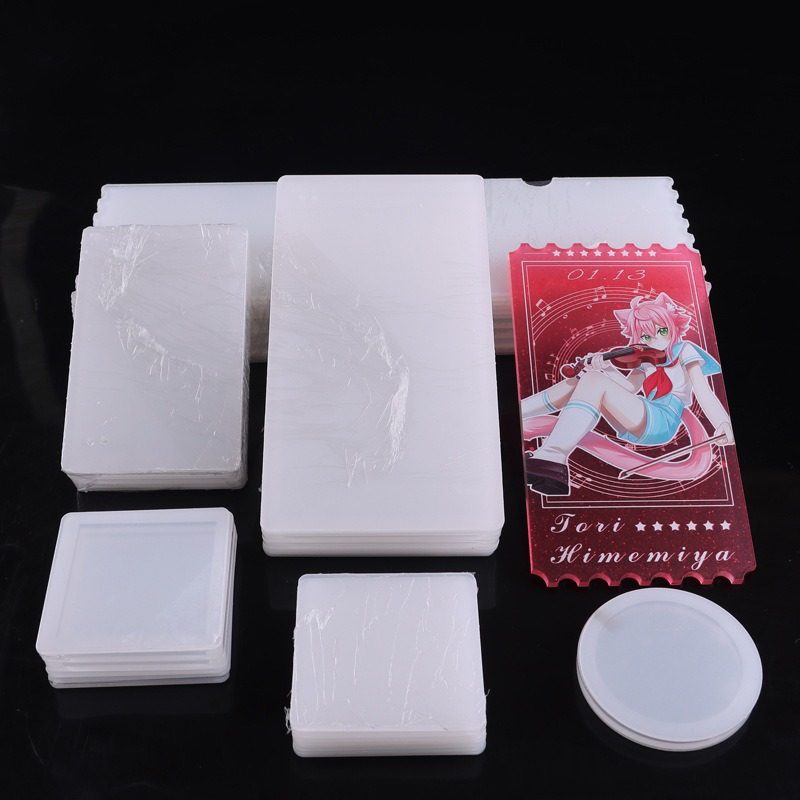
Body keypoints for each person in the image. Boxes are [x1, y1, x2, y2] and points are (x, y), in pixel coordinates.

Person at [521, 292, 733, 495]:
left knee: (593, 380)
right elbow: (629, 388)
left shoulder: (685, 350)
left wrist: (723, 423)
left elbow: (703, 391)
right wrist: (607, 368)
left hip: (661, 420)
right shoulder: (645, 357)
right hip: (640, 416)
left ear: (673, 326)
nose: (654, 340)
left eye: (661, 331)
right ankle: (520, 413)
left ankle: (553, 455)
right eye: (645, 335)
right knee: (579, 380)